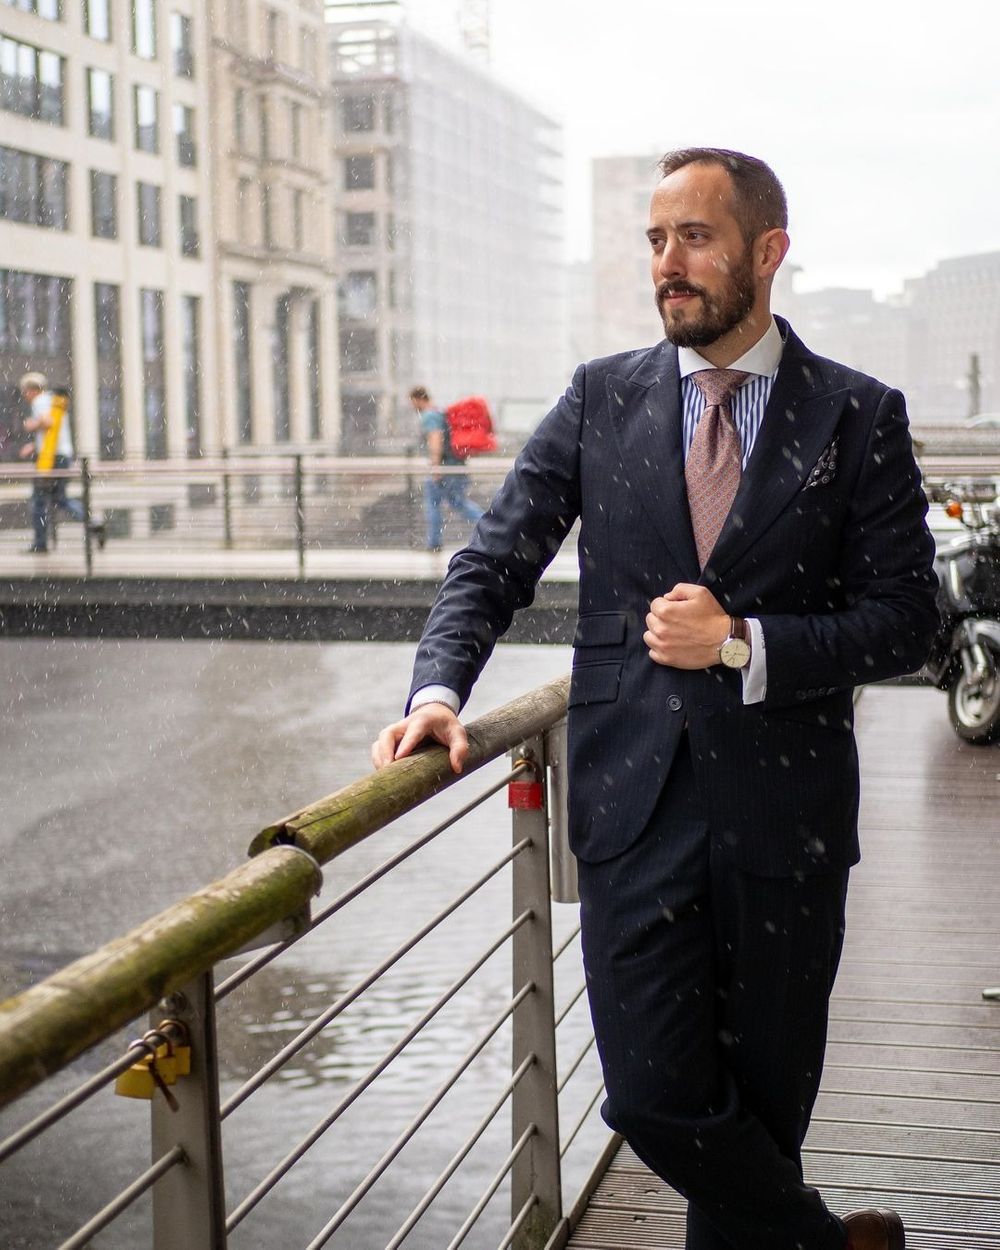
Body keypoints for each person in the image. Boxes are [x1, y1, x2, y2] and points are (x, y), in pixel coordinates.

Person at [375, 149, 938, 1249]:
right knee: (646, 1094)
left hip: (787, 825)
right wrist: (440, 686)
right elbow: (492, 562)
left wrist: (739, 641)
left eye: (695, 238)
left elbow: (907, 619)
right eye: (653, 239)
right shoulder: (598, 398)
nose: (666, 265)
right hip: (632, 816)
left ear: (766, 252)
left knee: (761, 1121)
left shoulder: (858, 415)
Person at [18, 373, 105, 554]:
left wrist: (31, 425)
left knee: (38, 501)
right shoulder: (55, 401)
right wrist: (34, 445)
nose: (25, 396)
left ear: (33, 390)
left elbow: (47, 422)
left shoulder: (40, 401)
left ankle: (40, 544)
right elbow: (53, 431)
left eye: (25, 392)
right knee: (60, 498)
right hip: (62, 456)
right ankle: (93, 522)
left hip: (50, 460)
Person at [409, 385, 484, 552]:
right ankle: (490, 527)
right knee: (458, 503)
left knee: (434, 504)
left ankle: (434, 543)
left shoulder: (429, 416)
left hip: (444, 468)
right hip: (455, 467)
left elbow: (436, 438)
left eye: (412, 402)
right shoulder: (439, 412)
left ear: (418, 399)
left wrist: (435, 468)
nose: (412, 407)